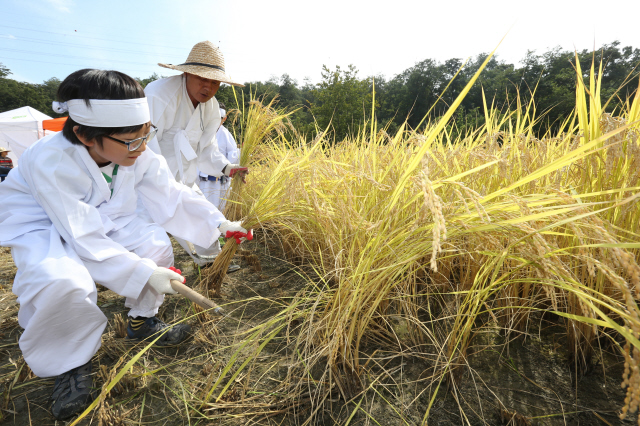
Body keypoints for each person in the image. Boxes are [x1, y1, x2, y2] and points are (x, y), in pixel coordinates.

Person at [0, 69, 250, 420]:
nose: (142, 148)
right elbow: (82, 237)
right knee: (63, 282)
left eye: (146, 135)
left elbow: (171, 192)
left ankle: (141, 320)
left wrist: (219, 223)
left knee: (155, 245)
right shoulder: (51, 161)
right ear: (84, 135)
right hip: (43, 222)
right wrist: (144, 273)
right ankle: (70, 365)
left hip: (106, 212)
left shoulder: (135, 149)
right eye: (132, 141)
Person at [144, 40, 248, 266]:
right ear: (186, 74)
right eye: (202, 79)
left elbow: (207, 147)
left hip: (185, 180)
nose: (208, 88)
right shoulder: (159, 95)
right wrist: (165, 185)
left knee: (205, 223)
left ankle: (212, 266)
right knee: (149, 241)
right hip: (146, 181)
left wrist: (227, 168)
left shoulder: (210, 107)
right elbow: (144, 146)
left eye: (214, 82)